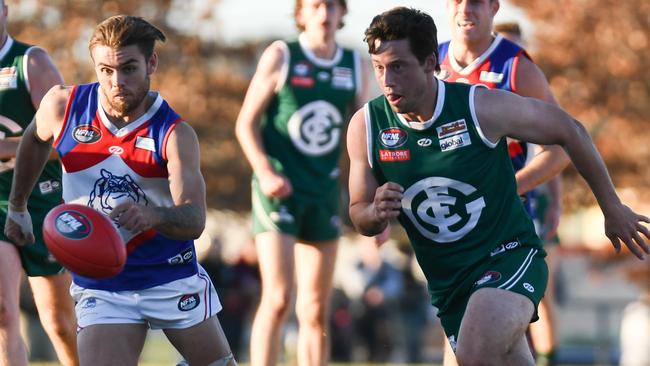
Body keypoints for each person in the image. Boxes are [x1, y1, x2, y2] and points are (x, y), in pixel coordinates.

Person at [347, 6, 650, 366]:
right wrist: (375, 211)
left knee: (474, 357)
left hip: (508, 256)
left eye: (398, 66)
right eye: (379, 68)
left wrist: (611, 207)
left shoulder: (478, 107)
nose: (387, 81)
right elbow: (359, 212)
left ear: (430, 62)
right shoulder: (366, 126)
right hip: (448, 284)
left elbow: (570, 131)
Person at [4, 15, 236, 366]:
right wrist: (18, 206)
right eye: (106, 71)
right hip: (104, 283)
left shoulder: (175, 134)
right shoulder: (63, 107)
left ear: (151, 63)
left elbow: (195, 218)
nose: (117, 82)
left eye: (129, 69)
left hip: (170, 274)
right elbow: (35, 141)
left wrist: (153, 215)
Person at [234, 0, 368, 365]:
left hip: (324, 191)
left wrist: (369, 193)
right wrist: (265, 170)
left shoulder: (355, 64)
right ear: (301, 13)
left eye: (332, 6)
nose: (324, 13)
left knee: (314, 307)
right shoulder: (282, 55)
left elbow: (365, 137)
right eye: (316, 5)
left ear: (343, 13)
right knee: (278, 297)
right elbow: (245, 123)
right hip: (279, 190)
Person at [439, 2, 567, 362]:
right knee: (478, 343)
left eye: (477, 0)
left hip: (503, 229)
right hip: (448, 227)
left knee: (473, 344)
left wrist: (513, 187)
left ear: (494, 6)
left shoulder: (516, 66)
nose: (465, 8)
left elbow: (562, 146)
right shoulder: (429, 63)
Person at [0, 1, 78, 365]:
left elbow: (63, 138)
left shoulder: (29, 62)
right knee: (3, 311)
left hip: (40, 197)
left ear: (4, 13)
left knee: (59, 321)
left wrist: (7, 148)